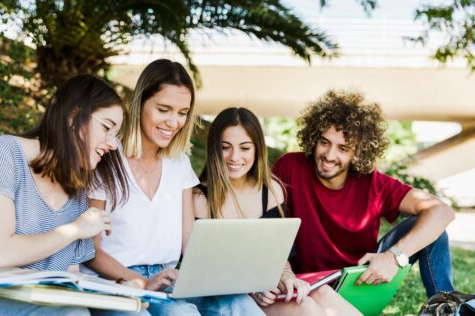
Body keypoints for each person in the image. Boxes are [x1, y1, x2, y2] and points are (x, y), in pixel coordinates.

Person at [0, 74, 130, 315]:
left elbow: (70, 277)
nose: (111, 144)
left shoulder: (77, 195)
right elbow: (0, 255)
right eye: (107, 128)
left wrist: (122, 290)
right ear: (73, 117)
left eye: (115, 136)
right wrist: (75, 230)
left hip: (34, 300)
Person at [83, 60, 263, 316]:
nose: (173, 122)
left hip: (168, 279)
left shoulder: (179, 164)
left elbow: (190, 243)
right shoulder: (107, 158)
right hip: (117, 282)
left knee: (239, 304)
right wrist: (140, 281)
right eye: (164, 109)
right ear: (141, 104)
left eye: (182, 113)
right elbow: (91, 250)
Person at [272, 90, 455, 298]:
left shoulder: (374, 184)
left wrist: (394, 257)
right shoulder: (289, 167)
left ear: (358, 152)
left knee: (433, 228)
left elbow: (442, 212)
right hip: (305, 289)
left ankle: (447, 307)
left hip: (359, 283)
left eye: (343, 148)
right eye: (324, 142)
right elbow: (268, 226)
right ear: (314, 138)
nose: (329, 155)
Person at [193, 107, 361, 316]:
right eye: (225, 147)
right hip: (227, 296)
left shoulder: (271, 191)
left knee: (322, 293)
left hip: (267, 288)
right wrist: (253, 288)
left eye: (245, 148)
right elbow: (204, 271)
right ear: (213, 149)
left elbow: (281, 256)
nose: (234, 157)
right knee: (305, 307)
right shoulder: (200, 199)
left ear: (257, 149)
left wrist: (287, 276)